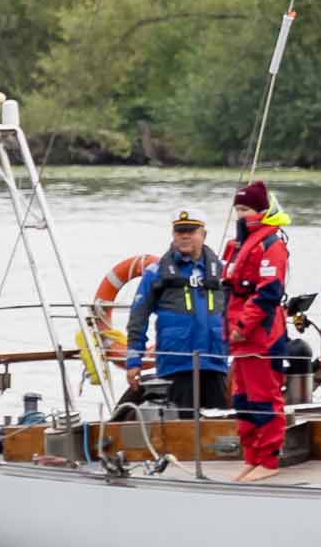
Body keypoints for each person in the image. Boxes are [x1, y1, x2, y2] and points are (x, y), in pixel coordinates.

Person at [220, 179, 294, 474]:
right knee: (242, 398)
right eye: (238, 208)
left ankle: (269, 459)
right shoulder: (239, 244)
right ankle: (252, 457)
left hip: (260, 334)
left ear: (262, 211)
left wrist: (242, 325)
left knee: (264, 397)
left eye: (246, 208)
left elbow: (269, 292)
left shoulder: (270, 244)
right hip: (240, 335)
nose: (241, 214)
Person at [123, 213, 228, 417]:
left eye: (191, 231)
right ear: (173, 234)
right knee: (180, 427)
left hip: (214, 363)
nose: (185, 236)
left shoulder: (222, 272)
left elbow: (238, 313)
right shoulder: (156, 273)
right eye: (180, 231)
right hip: (176, 364)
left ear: (203, 234)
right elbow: (138, 318)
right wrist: (134, 361)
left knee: (218, 429)